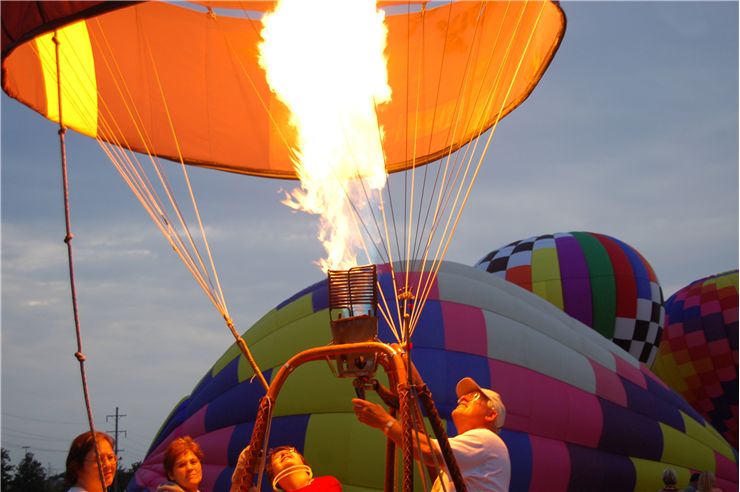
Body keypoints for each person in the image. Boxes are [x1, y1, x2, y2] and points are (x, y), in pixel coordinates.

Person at [352, 376, 510, 491]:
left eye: (474, 396)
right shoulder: (466, 460)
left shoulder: (487, 440)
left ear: (491, 415)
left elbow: (428, 452)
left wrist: (385, 422)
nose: (463, 397)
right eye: (463, 395)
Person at [265, 446, 341, 491]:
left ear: (302, 461)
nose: (284, 453)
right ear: (273, 475)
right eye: (276, 457)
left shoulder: (327, 483)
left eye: (291, 451)